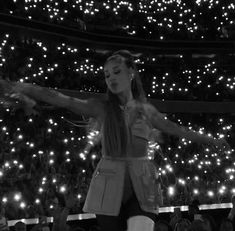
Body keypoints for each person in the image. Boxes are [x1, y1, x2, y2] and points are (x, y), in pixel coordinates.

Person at [0, 50, 230, 231]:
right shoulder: (101, 108)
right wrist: (26, 87)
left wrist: (212, 141)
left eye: (117, 71)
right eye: (107, 74)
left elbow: (177, 129)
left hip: (143, 182)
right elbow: (61, 99)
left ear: (131, 72)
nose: (110, 78)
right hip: (108, 185)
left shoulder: (146, 111)